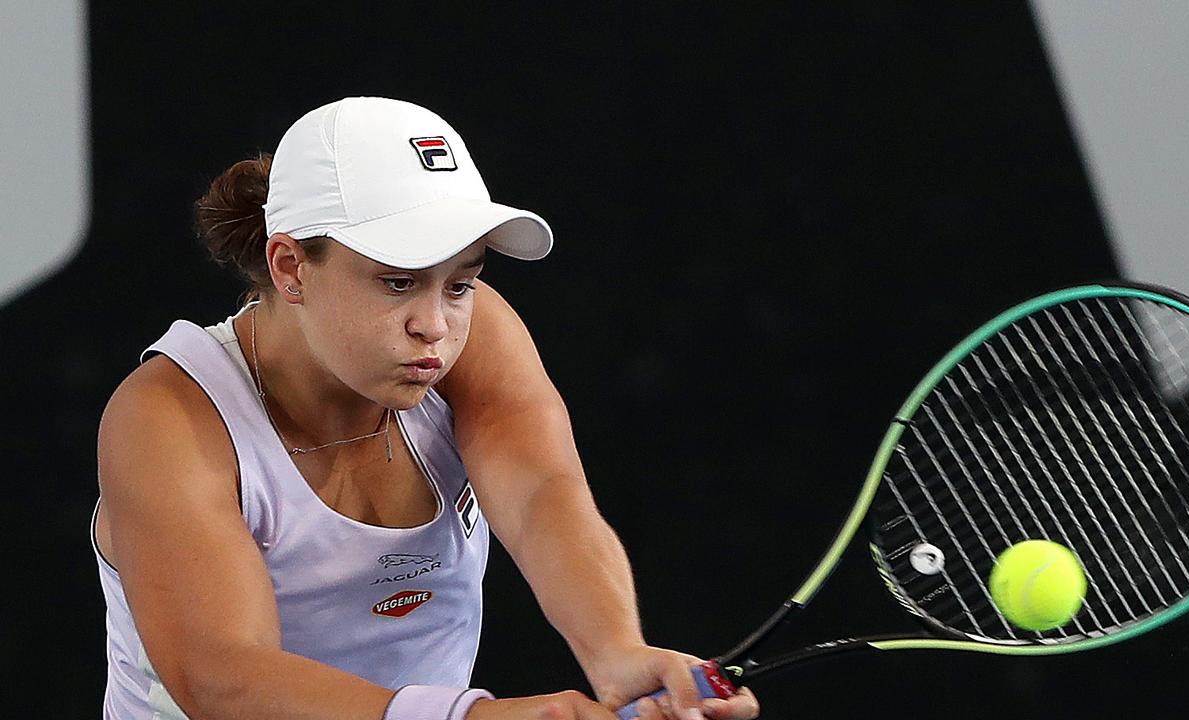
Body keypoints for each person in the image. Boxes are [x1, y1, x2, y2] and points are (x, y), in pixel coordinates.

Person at [92, 97, 760, 720]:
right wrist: (472, 716)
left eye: (461, 282)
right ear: (291, 266)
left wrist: (617, 653)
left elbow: (541, 496)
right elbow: (223, 676)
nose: (435, 325)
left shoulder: (471, 338)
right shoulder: (167, 417)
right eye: (398, 281)